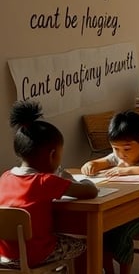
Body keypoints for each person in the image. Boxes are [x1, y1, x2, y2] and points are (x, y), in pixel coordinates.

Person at [0, 101, 97, 269]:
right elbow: (90, 191)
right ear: (52, 155)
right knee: (83, 246)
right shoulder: (46, 181)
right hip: (36, 255)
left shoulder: (5, 177)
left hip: (5, 256)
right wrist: (82, 180)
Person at [81, 111, 139, 274]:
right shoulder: (118, 156)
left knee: (121, 234)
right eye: (115, 148)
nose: (121, 154)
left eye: (127, 148)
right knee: (101, 232)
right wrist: (91, 164)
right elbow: (103, 162)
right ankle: (108, 270)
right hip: (119, 210)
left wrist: (129, 171)